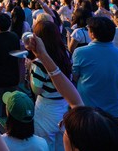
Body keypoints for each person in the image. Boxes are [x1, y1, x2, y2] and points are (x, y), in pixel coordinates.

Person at [72, 17, 118, 120]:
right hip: (117, 111)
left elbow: (75, 77)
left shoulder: (80, 52)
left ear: (92, 34)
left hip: (89, 111)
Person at [30, 21, 72, 151]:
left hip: (46, 108)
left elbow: (36, 90)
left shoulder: (39, 63)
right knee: (62, 143)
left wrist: (29, 70)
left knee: (45, 144)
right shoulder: (66, 54)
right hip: (64, 104)